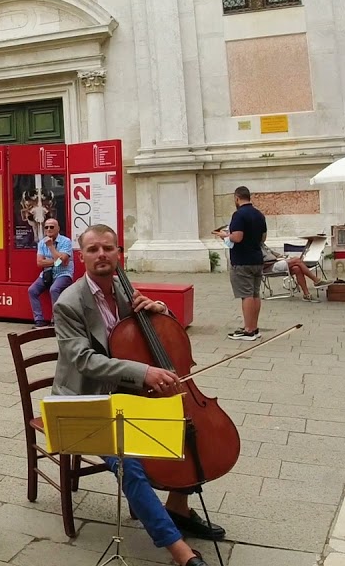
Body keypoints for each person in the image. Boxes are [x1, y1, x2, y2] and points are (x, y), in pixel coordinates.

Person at [53, 224, 220, 566]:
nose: (101, 255)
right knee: (130, 464)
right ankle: (179, 551)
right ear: (81, 256)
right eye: (93, 249)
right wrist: (143, 372)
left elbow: (157, 335)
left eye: (108, 248)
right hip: (88, 400)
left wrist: (160, 310)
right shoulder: (68, 303)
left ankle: (179, 505)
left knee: (185, 427)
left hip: (129, 392)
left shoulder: (122, 288)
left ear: (119, 254)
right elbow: (84, 360)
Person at [214, 186, 267, 341]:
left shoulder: (238, 215)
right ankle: (255, 327)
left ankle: (248, 330)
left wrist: (225, 235)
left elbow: (237, 237)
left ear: (237, 198)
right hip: (257, 259)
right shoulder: (259, 215)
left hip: (242, 261)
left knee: (246, 295)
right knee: (255, 294)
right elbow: (263, 238)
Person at [28, 217, 74, 328]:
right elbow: (39, 263)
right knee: (32, 290)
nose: (49, 229)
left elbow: (64, 263)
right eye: (46, 227)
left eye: (52, 227)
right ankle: (39, 320)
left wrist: (51, 247)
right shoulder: (41, 243)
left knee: (54, 289)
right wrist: (56, 261)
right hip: (47, 274)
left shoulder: (65, 241)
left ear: (58, 228)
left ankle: (56, 321)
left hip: (64, 274)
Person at [263, 245, 328, 301]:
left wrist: (282, 256)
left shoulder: (262, 244)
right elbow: (261, 263)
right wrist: (275, 260)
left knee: (297, 268)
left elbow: (274, 254)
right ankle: (316, 280)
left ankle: (306, 294)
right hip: (270, 267)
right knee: (296, 260)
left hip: (276, 263)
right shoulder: (256, 247)